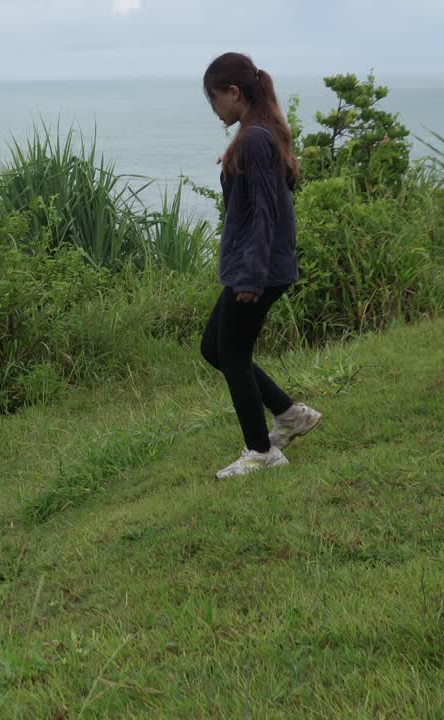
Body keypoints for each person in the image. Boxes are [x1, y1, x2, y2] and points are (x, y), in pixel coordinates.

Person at [202, 52, 322, 480]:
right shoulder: (258, 133)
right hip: (261, 264)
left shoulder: (254, 138)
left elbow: (264, 214)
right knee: (214, 348)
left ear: (234, 92)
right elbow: (270, 189)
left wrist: (250, 277)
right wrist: (234, 169)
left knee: (232, 354)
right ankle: (290, 415)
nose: (214, 108)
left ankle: (261, 451)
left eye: (214, 98)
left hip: (258, 269)